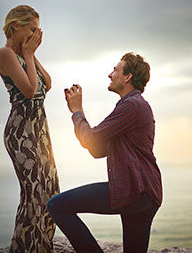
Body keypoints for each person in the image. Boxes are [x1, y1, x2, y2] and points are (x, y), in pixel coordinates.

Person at [47, 53, 163, 253]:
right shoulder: (133, 106)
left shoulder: (131, 106)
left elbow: (91, 139)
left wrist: (77, 111)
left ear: (127, 77)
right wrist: (85, 127)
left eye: (115, 70)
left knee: (57, 206)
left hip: (133, 190)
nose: (110, 74)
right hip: (145, 194)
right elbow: (96, 149)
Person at [0, 5, 60, 253]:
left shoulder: (24, 53)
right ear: (16, 26)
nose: (36, 35)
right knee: (33, 193)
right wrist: (29, 54)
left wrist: (30, 52)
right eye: (32, 29)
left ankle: (41, 245)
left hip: (39, 131)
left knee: (49, 189)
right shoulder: (5, 54)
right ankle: (25, 248)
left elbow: (48, 83)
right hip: (21, 132)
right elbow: (30, 90)